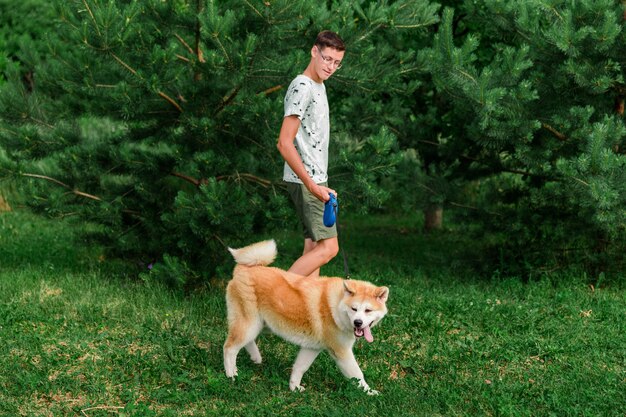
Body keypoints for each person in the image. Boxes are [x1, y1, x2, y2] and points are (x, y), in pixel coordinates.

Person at [276, 30, 345, 278]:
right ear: (314, 51)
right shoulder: (303, 86)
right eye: (327, 59)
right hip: (306, 181)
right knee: (329, 248)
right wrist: (313, 186)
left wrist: (320, 184)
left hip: (316, 179)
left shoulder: (319, 85)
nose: (331, 67)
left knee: (314, 247)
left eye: (337, 62)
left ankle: (304, 313)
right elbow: (284, 143)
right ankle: (276, 297)